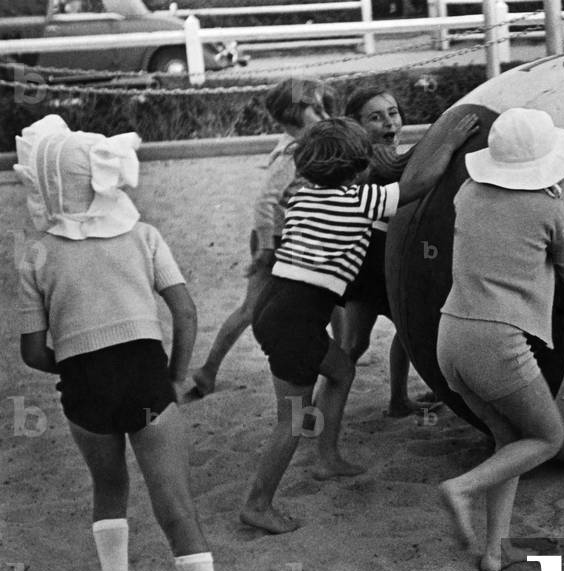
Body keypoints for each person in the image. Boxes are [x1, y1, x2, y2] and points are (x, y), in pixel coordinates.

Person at [15, 115, 252, 571]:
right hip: (147, 375)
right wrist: (173, 375)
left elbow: (31, 352)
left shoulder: (38, 255)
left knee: (108, 490)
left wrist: (78, 364)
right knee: (177, 507)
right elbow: (185, 311)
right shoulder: (143, 235)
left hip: (84, 387)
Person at [242, 113, 479, 534]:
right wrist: (447, 141)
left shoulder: (303, 196)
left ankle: (328, 457)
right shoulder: (360, 201)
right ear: (359, 167)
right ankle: (258, 504)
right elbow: (418, 186)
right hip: (295, 318)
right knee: (292, 418)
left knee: (341, 368)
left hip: (274, 305)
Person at [438, 108, 564, 571]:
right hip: (498, 341)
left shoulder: (467, 193)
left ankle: (494, 551)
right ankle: (461, 488)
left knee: (507, 441)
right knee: (548, 437)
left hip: (451, 334)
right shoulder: (549, 207)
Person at [191, 78, 338, 398]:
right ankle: (209, 369)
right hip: (278, 241)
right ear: (293, 113)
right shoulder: (294, 151)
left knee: (319, 297)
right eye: (316, 109)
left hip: (286, 239)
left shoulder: (298, 142)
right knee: (259, 308)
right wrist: (268, 247)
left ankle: (345, 350)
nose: (324, 115)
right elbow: (265, 201)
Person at [339, 85, 437, 417]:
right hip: (367, 262)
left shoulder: (396, 156)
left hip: (396, 260)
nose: (388, 123)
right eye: (375, 118)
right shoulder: (354, 162)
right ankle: (318, 408)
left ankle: (398, 399)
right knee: (354, 343)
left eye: (393, 113)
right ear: (356, 125)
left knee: (407, 333)